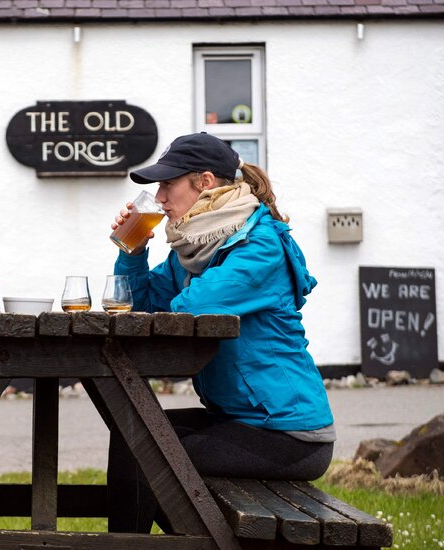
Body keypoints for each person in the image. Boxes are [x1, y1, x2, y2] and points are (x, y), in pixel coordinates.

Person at [107, 132, 334, 533]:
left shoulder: (258, 246)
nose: (159, 198)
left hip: (288, 434)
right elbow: (139, 305)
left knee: (147, 452)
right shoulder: (197, 250)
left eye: (167, 185)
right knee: (131, 432)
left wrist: (171, 289)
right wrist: (133, 249)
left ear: (205, 182)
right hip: (239, 419)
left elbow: (190, 311)